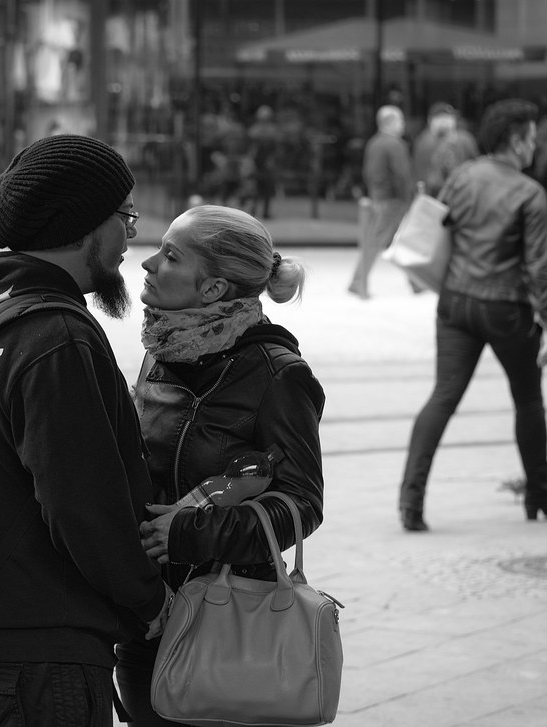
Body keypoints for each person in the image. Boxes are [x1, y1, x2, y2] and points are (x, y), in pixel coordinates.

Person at [0, 134, 171, 726]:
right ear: (81, 225)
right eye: (123, 216)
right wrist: (149, 601)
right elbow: (81, 502)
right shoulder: (54, 338)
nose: (130, 237)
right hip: (38, 660)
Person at [115, 204, 326, 725]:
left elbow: (304, 504)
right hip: (147, 617)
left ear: (211, 290)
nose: (147, 265)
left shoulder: (278, 375)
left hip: (227, 618)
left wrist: (192, 534)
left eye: (169, 256)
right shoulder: (161, 350)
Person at [397, 99, 547, 533]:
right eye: (531, 136)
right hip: (506, 308)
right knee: (528, 400)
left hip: (455, 302)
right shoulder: (529, 191)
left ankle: (410, 503)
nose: (535, 145)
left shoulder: (463, 175)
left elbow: (441, 227)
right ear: (516, 140)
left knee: (442, 398)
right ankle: (539, 496)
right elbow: (539, 265)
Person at [348, 105, 413, 300]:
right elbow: (401, 175)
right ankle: (358, 281)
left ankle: (415, 282)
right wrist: (408, 198)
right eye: (400, 120)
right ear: (391, 122)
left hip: (378, 197)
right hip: (392, 199)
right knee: (383, 241)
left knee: (386, 240)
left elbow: (368, 172)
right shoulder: (394, 144)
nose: (403, 124)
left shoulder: (374, 142)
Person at [413, 102, 479, 197]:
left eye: (450, 117)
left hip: (461, 192)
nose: (447, 121)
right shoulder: (424, 142)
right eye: (444, 118)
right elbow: (419, 173)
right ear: (431, 120)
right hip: (434, 195)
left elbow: (475, 164)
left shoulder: (465, 139)